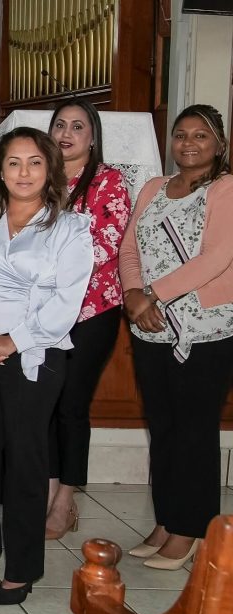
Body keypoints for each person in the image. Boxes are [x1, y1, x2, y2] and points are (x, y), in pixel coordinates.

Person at [0, 127, 92, 604]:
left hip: (34, 355)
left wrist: (10, 340)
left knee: (25, 462)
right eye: (13, 163)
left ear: (49, 170)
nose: (23, 172)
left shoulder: (69, 229)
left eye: (34, 163)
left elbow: (65, 304)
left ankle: (22, 566)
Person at [120, 105, 233, 571]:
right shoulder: (152, 188)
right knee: (162, 428)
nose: (188, 143)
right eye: (181, 134)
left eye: (200, 136)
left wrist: (152, 295)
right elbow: (129, 246)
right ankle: (167, 519)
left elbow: (218, 257)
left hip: (204, 330)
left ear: (219, 144)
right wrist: (132, 295)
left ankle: (192, 528)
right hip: (150, 328)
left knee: (194, 432)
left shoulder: (226, 190)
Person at [44, 98, 131, 540]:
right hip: (41, 312)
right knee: (45, 403)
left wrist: (46, 268)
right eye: (60, 125)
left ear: (92, 136)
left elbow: (106, 244)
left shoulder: (109, 181)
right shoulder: (39, 177)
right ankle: (49, 484)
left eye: (77, 126)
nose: (66, 133)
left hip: (92, 310)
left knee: (73, 405)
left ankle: (65, 499)